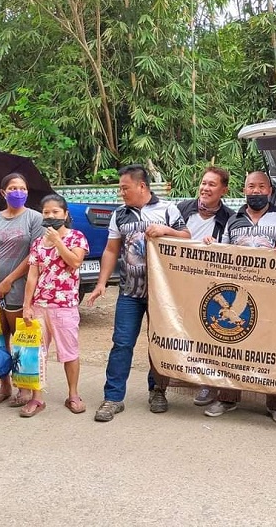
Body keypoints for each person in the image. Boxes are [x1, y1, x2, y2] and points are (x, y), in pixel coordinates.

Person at [86, 165, 190, 422]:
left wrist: (167, 231)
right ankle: (113, 397)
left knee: (158, 342)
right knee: (122, 343)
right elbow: (111, 250)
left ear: (141, 186)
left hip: (162, 294)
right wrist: (101, 283)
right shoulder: (119, 215)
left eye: (125, 187)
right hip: (129, 292)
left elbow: (186, 237)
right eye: (120, 188)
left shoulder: (167, 209)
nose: (121, 193)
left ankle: (157, 390)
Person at [203, 171, 276, 424]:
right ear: (244, 190)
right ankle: (227, 397)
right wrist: (211, 246)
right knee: (232, 343)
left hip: (274, 296)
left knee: (273, 346)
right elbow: (224, 252)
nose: (256, 191)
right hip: (240, 295)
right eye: (251, 187)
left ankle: (275, 403)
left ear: (270, 190)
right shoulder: (233, 220)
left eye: (261, 187)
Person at [0, 173, 45, 407]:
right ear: (3, 192)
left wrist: (9, 280)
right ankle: (4, 386)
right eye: (13, 188)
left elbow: (34, 255)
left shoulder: (35, 219)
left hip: (19, 287)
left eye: (22, 188)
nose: (18, 192)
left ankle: (24, 388)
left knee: (22, 341)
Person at [21, 194, 90, 418]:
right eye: (47, 213)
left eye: (56, 212)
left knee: (69, 352)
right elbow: (32, 275)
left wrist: (59, 241)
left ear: (66, 214)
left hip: (65, 307)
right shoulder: (38, 244)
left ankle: (73, 394)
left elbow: (75, 262)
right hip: (40, 305)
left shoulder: (76, 238)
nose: (51, 216)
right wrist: (26, 305)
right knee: (36, 354)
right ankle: (37, 398)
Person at [176, 166, 234, 407]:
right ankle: (171, 378)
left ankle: (207, 384)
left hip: (210, 286)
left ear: (223, 190)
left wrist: (217, 245)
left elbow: (233, 251)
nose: (205, 188)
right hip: (178, 281)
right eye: (203, 183)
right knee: (178, 330)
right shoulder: (181, 209)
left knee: (209, 334)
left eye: (212, 184)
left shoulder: (230, 218)